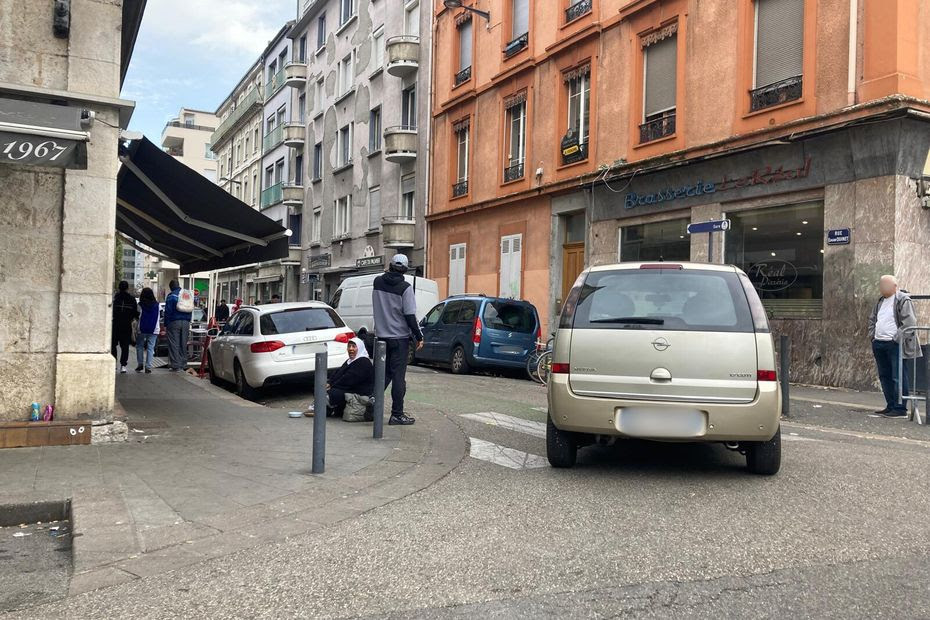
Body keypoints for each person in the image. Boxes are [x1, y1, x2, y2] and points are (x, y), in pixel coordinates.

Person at [372, 254, 423, 425]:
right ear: (405, 269)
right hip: (399, 339)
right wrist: (418, 336)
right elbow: (409, 315)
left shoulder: (377, 282)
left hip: (381, 338)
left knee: (382, 376)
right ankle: (397, 414)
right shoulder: (405, 287)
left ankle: (371, 408)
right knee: (398, 378)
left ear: (390, 266)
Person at [868, 275, 922, 417]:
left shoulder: (903, 299)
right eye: (881, 285)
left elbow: (909, 322)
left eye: (885, 284)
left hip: (894, 344)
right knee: (884, 376)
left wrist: (896, 339)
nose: (882, 287)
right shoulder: (880, 301)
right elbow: (872, 319)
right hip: (879, 342)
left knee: (897, 375)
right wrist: (872, 336)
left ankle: (900, 408)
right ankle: (890, 405)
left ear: (894, 286)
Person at [326, 338, 375, 421]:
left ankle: (325, 408)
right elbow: (338, 373)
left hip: (359, 392)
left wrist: (332, 386)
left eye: (353, 346)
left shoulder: (363, 362)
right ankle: (327, 409)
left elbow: (349, 379)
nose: (351, 349)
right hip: (348, 388)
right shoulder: (350, 361)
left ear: (359, 348)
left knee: (332, 394)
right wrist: (329, 383)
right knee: (322, 389)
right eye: (349, 346)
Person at [164, 279, 192, 372]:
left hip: (174, 322)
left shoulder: (171, 296)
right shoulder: (186, 294)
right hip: (186, 322)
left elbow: (168, 311)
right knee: (183, 343)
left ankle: (176, 365)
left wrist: (166, 324)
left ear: (171, 287)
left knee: (174, 343)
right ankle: (183, 364)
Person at [111, 280, 138, 374]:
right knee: (125, 346)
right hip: (126, 325)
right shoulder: (132, 299)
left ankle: (113, 363)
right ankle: (123, 365)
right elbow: (135, 313)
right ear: (127, 288)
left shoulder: (115, 298)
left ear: (119, 288)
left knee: (113, 345)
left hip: (115, 324)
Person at [135, 287, 159, 374]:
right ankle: (148, 367)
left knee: (140, 346)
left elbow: (137, 316)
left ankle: (140, 364)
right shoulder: (157, 305)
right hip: (153, 329)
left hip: (142, 329)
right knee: (150, 348)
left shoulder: (140, 305)